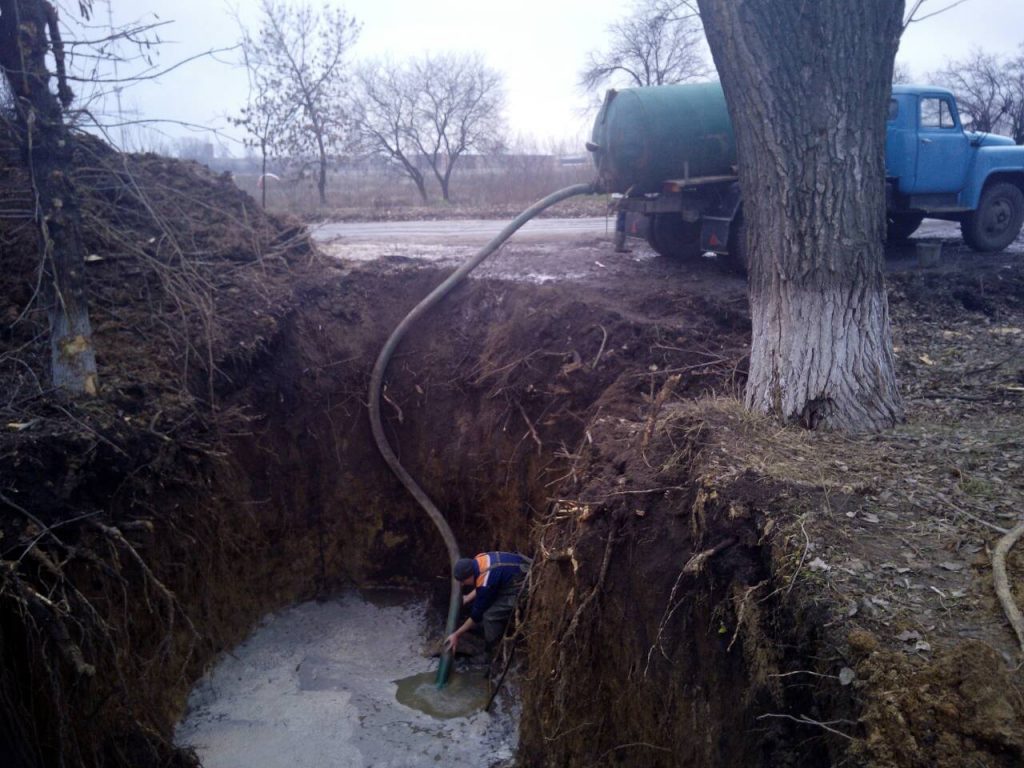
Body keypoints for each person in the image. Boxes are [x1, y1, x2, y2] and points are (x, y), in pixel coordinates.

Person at [444, 551, 530, 654]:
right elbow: (484, 582)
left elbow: (476, 616)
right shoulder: (480, 558)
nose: (462, 585)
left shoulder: (486, 583)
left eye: (463, 581)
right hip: (523, 567)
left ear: (470, 576)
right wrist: (467, 598)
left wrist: (456, 635)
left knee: (489, 615)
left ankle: (494, 647)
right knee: (487, 598)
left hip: (525, 584)